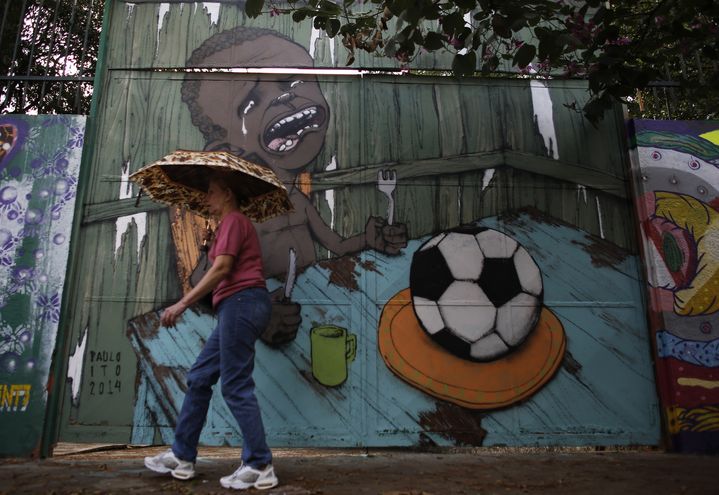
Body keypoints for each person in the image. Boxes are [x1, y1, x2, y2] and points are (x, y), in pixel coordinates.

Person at [144, 173, 278, 491]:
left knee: (234, 384)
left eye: (212, 192)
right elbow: (216, 263)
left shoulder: (234, 221)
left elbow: (222, 269)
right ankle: (182, 456)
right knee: (200, 377)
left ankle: (260, 464)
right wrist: (209, 243)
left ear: (228, 194)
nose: (207, 199)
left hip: (242, 303)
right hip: (237, 306)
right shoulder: (225, 227)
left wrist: (181, 305)